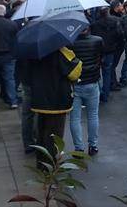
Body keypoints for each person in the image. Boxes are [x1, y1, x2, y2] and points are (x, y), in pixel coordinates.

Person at [27, 45, 82, 162]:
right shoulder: (60, 51)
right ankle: (50, 163)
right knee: (55, 134)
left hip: (39, 98)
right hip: (57, 100)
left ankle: (41, 161)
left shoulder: (33, 52)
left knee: (42, 131)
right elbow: (74, 73)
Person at [68, 24, 103, 155]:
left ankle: (78, 148)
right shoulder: (97, 40)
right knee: (93, 115)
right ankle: (93, 146)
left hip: (75, 83)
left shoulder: (70, 42)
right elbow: (101, 56)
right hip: (92, 82)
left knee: (74, 118)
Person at [0, 4, 19, 108]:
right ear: (4, 13)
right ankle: (12, 100)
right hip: (8, 55)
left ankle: (4, 95)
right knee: (9, 78)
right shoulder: (12, 24)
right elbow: (16, 39)